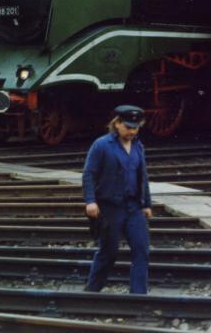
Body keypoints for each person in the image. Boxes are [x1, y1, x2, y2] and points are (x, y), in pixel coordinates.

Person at [82, 104, 152, 294]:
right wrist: (90, 201)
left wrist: (146, 203)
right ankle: (92, 291)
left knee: (141, 249)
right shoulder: (102, 145)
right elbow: (89, 174)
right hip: (110, 208)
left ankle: (138, 295)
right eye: (128, 127)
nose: (132, 132)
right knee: (108, 252)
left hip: (133, 207)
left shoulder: (138, 146)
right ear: (117, 124)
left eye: (136, 128)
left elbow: (142, 175)